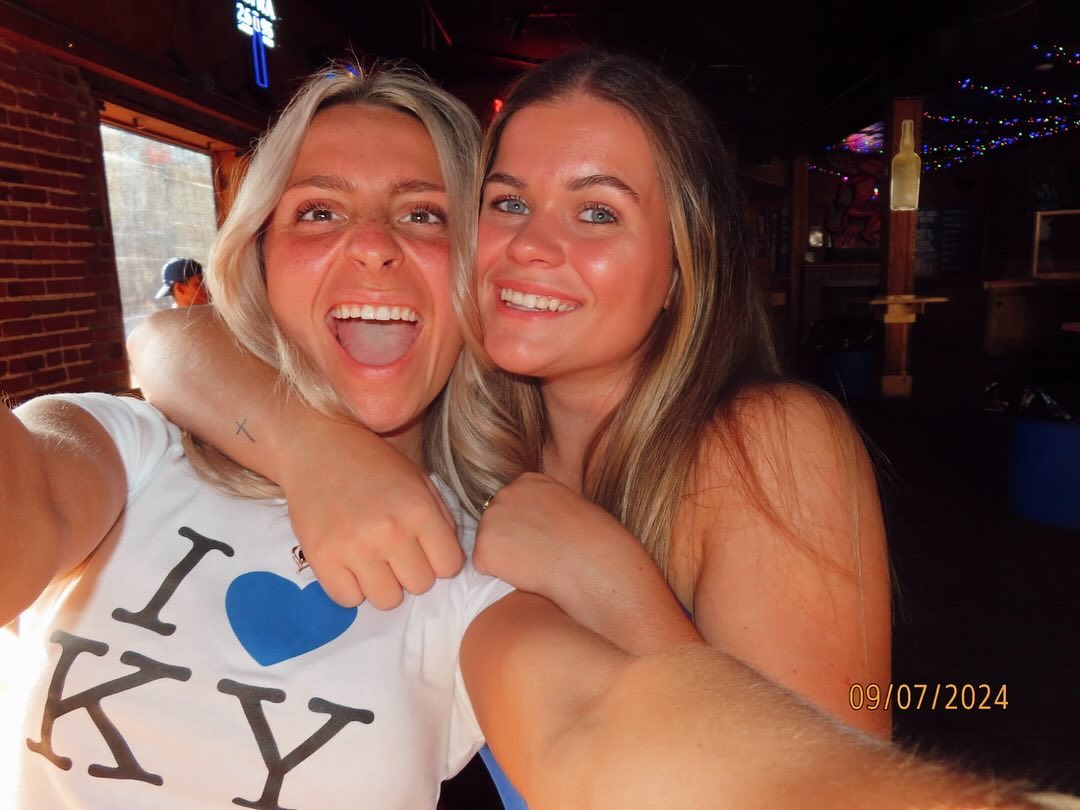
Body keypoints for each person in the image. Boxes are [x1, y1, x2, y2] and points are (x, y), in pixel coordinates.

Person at [123, 58, 1067, 810]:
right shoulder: (474, 440)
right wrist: (307, 444)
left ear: (682, 264)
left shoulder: (767, 441)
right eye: (508, 202)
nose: (533, 245)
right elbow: (170, 340)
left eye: (598, 211)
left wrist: (608, 583)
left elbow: (815, 781)